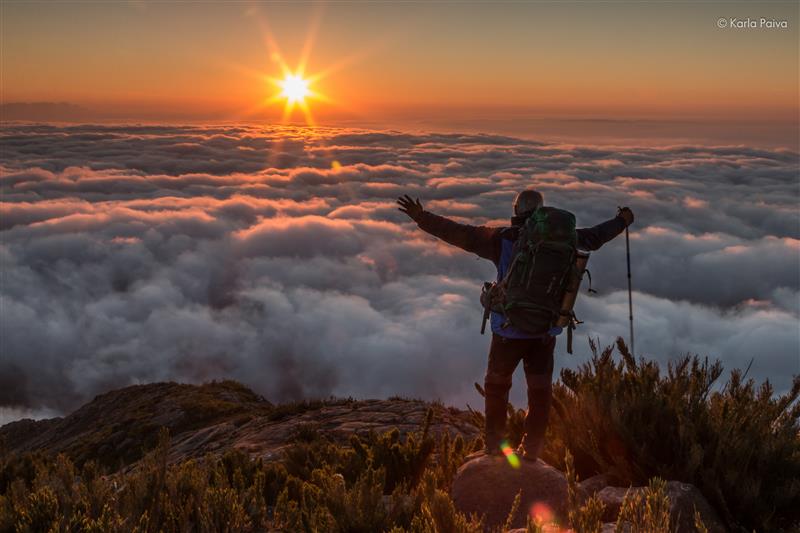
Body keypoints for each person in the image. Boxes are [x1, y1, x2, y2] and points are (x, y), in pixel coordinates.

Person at [397, 190, 634, 460]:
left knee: (497, 387)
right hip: (545, 331)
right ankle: (532, 449)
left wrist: (421, 217)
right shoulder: (568, 238)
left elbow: (457, 233)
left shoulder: (502, 239)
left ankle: (496, 449)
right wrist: (623, 220)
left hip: (508, 331)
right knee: (540, 391)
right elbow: (597, 236)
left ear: (517, 210)